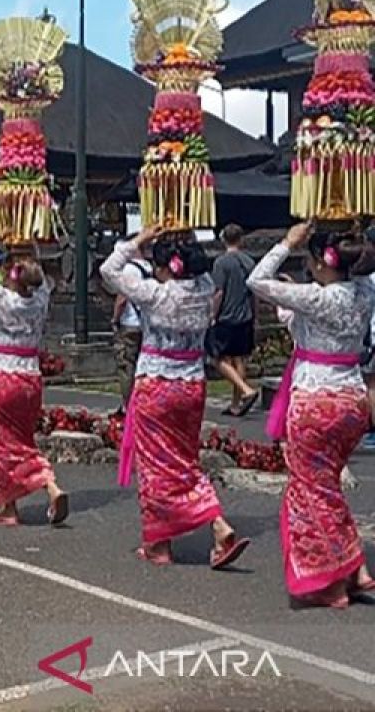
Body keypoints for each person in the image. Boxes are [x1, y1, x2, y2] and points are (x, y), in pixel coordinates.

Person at [100, 226, 250, 569]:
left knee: (155, 465)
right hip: (192, 384)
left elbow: (108, 270)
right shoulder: (205, 289)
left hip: (157, 384)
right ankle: (212, 525)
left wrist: (138, 241)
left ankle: (162, 541)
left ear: (169, 266)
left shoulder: (156, 294)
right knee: (184, 460)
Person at [247, 223, 375, 608]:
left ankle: (334, 578)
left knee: (310, 491)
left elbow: (257, 279)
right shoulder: (365, 291)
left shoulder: (317, 298)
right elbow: (305, 322)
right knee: (326, 485)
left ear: (322, 260)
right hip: (352, 400)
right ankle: (355, 569)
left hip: (315, 404)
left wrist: (287, 242)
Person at [0, 242, 68, 526]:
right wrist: (30, 244)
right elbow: (39, 274)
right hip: (30, 377)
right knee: (20, 439)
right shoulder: (41, 298)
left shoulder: (1, 298)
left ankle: (39, 486)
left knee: (0, 443)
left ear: (9, 274)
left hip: (1, 374)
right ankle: (16, 501)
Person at [209, 224, 259, 416]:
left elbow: (219, 292)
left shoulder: (221, 263)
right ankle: (236, 402)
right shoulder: (249, 262)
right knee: (239, 359)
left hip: (226, 316)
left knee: (217, 358)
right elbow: (255, 292)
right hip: (245, 316)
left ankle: (246, 391)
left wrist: (213, 314)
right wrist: (255, 315)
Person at [111, 249, 151, 411]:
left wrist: (115, 318)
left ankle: (129, 405)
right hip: (145, 323)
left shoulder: (129, 270)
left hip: (129, 322)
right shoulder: (149, 268)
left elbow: (122, 298)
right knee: (143, 366)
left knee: (126, 365)